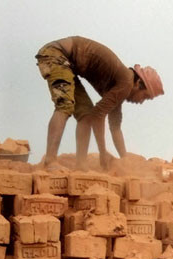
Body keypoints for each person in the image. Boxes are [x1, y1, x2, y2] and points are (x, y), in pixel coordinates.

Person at [35, 36, 164, 171]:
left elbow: (115, 128)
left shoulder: (121, 87)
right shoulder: (126, 83)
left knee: (85, 114)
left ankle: (81, 165)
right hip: (57, 55)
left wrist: (124, 159)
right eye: (145, 96)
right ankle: (50, 161)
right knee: (65, 105)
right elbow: (99, 115)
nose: (142, 101)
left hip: (68, 65)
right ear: (138, 84)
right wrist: (103, 152)